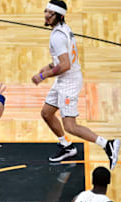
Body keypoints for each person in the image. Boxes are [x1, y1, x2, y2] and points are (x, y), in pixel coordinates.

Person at [31, 0, 120, 169]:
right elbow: (61, 61)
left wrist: (43, 75)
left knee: (70, 126)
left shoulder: (58, 36)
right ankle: (67, 146)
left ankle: (107, 145)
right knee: (47, 113)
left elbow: (65, 65)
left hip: (69, 83)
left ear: (60, 16)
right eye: (46, 11)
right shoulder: (63, 29)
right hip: (64, 79)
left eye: (51, 13)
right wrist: (48, 67)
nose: (47, 16)